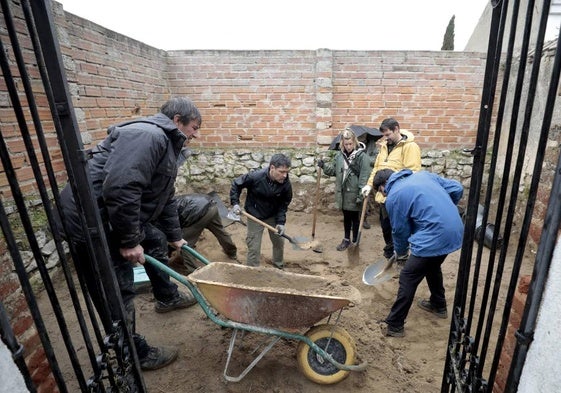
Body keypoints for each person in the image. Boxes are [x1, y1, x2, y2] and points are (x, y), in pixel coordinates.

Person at [59, 97, 201, 370]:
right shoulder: (148, 136)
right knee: (117, 288)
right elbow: (122, 187)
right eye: (194, 127)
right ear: (177, 121)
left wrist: (175, 235)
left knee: (157, 239)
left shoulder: (166, 144)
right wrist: (129, 241)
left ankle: (166, 296)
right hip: (91, 220)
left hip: (111, 213)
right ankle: (132, 354)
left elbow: (165, 196)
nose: (196, 134)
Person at [372, 168, 464, 337]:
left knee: (408, 276)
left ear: (384, 185)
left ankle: (395, 325)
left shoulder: (394, 196)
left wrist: (401, 255)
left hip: (435, 234)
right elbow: (457, 188)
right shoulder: (423, 175)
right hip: (456, 230)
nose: (383, 196)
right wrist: (444, 210)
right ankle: (438, 304)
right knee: (432, 264)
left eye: (381, 192)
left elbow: (400, 231)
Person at [361, 118, 421, 259]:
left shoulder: (410, 147)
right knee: (386, 227)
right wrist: (369, 185)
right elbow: (377, 168)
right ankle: (390, 252)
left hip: (399, 197)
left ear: (396, 129)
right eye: (384, 135)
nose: (386, 138)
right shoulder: (383, 147)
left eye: (388, 135)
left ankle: (402, 256)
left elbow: (413, 171)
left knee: (399, 228)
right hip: (383, 197)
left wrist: (394, 183)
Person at [230, 153, 293, 269]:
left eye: (287, 172)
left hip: (273, 215)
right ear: (272, 168)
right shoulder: (256, 176)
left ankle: (278, 266)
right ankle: (253, 271)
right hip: (254, 215)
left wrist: (280, 222)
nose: (285, 175)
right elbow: (236, 184)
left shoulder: (286, 185)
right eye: (281, 172)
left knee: (279, 242)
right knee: (253, 246)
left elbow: (283, 205)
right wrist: (235, 203)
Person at [318, 128, 372, 250]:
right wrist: (324, 166)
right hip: (343, 192)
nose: (348, 146)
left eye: (350, 144)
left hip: (355, 192)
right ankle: (346, 239)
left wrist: (360, 194)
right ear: (342, 143)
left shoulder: (361, 157)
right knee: (346, 216)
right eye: (346, 144)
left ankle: (354, 240)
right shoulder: (339, 156)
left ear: (355, 142)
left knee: (355, 218)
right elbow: (334, 171)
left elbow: (364, 176)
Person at [168, 193, 238, 274]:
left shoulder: (164, 213)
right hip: (210, 205)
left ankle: (193, 271)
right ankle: (232, 252)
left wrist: (169, 251)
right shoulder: (172, 202)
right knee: (220, 231)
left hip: (197, 212)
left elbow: (172, 233)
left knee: (186, 245)